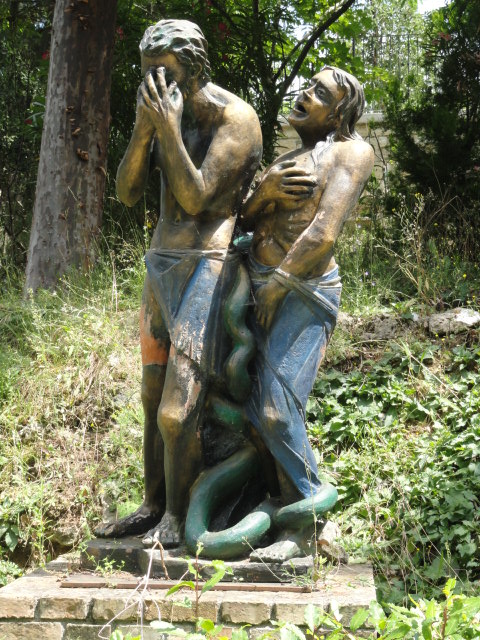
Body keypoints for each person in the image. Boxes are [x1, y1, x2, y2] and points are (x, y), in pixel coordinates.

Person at [96, 19, 262, 546]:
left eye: (163, 71)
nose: (154, 83)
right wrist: (144, 129)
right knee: (151, 395)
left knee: (177, 409)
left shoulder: (236, 119)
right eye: (146, 71)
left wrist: (166, 129)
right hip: (160, 264)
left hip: (208, 267)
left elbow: (196, 198)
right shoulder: (161, 113)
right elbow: (126, 192)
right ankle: (152, 504)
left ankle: (180, 514)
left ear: (192, 69)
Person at [240, 66, 374, 561]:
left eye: (320, 93)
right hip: (254, 287)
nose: (305, 94)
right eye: (307, 86)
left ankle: (310, 519)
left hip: (301, 291)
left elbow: (324, 232)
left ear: (338, 113)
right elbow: (243, 219)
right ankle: (279, 512)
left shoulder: (351, 152)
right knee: (252, 414)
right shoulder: (287, 159)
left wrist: (280, 284)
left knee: (276, 410)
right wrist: (265, 191)